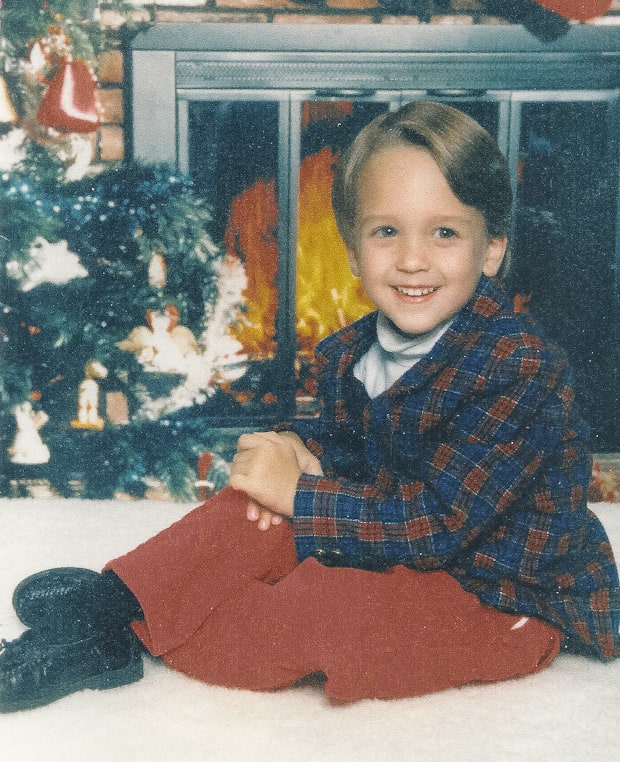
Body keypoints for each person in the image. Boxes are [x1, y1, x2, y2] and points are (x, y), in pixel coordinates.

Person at [1, 102, 618, 713]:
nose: (412, 258)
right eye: (386, 231)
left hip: (499, 594)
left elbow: (435, 527)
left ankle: (134, 628)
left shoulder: (519, 370)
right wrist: (299, 451)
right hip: (392, 539)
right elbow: (346, 447)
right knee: (251, 512)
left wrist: (299, 494)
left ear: (491, 252)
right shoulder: (353, 353)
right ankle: (116, 600)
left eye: (445, 232)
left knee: (326, 609)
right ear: (352, 251)